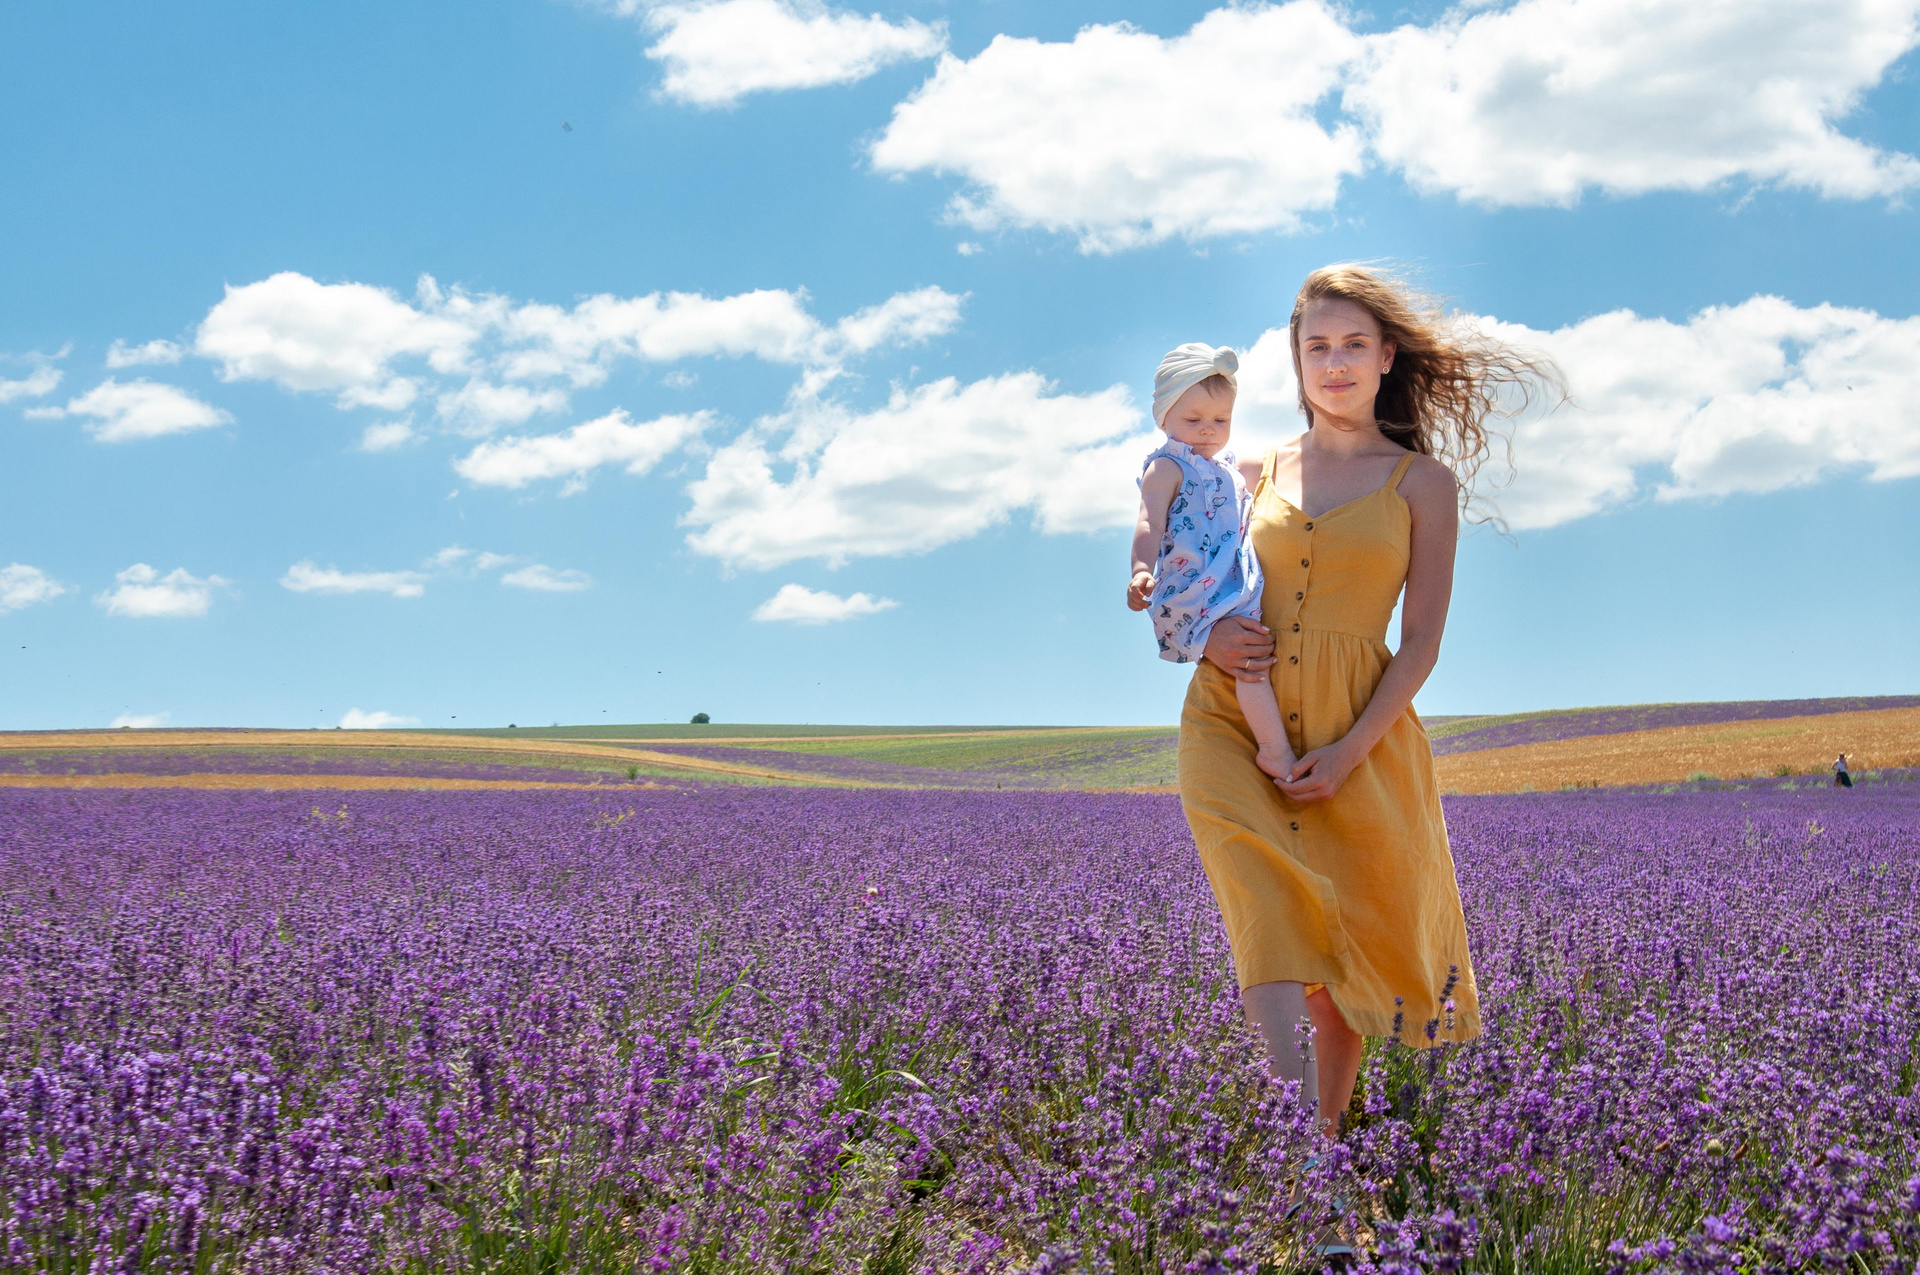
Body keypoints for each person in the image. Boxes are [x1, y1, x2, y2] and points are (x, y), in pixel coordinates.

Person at [1177, 264, 1560, 1134]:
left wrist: (1350, 753)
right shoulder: (1243, 471)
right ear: (1296, 359)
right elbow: (1182, 584)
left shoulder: (1422, 484)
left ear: (1387, 356)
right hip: (1233, 720)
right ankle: (1288, 1153)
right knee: (1271, 916)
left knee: (1338, 959)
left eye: (1354, 344)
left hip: (1357, 733)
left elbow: (1421, 641)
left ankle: (1321, 1151)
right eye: (1317, 346)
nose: (1336, 362)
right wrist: (1208, 636)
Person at [1128, 344, 1295, 786]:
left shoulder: (1230, 467)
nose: (1207, 430)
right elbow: (1148, 522)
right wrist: (1140, 570)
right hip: (1194, 584)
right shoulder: (1167, 468)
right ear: (1163, 418)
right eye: (1193, 420)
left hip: (1233, 581)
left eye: (1220, 421)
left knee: (1253, 658)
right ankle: (1275, 750)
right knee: (1249, 663)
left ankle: (1273, 744)